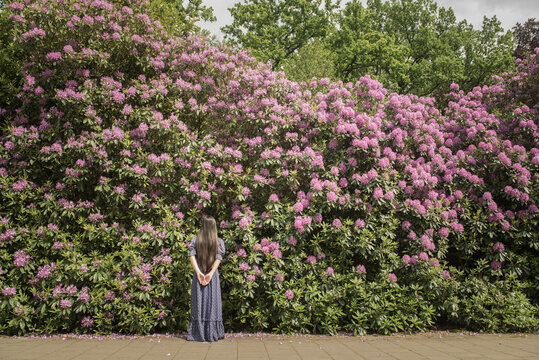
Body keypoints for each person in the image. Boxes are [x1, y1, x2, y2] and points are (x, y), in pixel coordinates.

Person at [186, 215, 226, 342]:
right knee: (212, 304)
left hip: (199, 276)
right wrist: (210, 274)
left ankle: (199, 333)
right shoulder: (218, 241)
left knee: (199, 303)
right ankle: (212, 333)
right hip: (212, 278)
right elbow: (218, 258)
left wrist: (198, 273)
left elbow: (191, 255)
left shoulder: (196, 240)